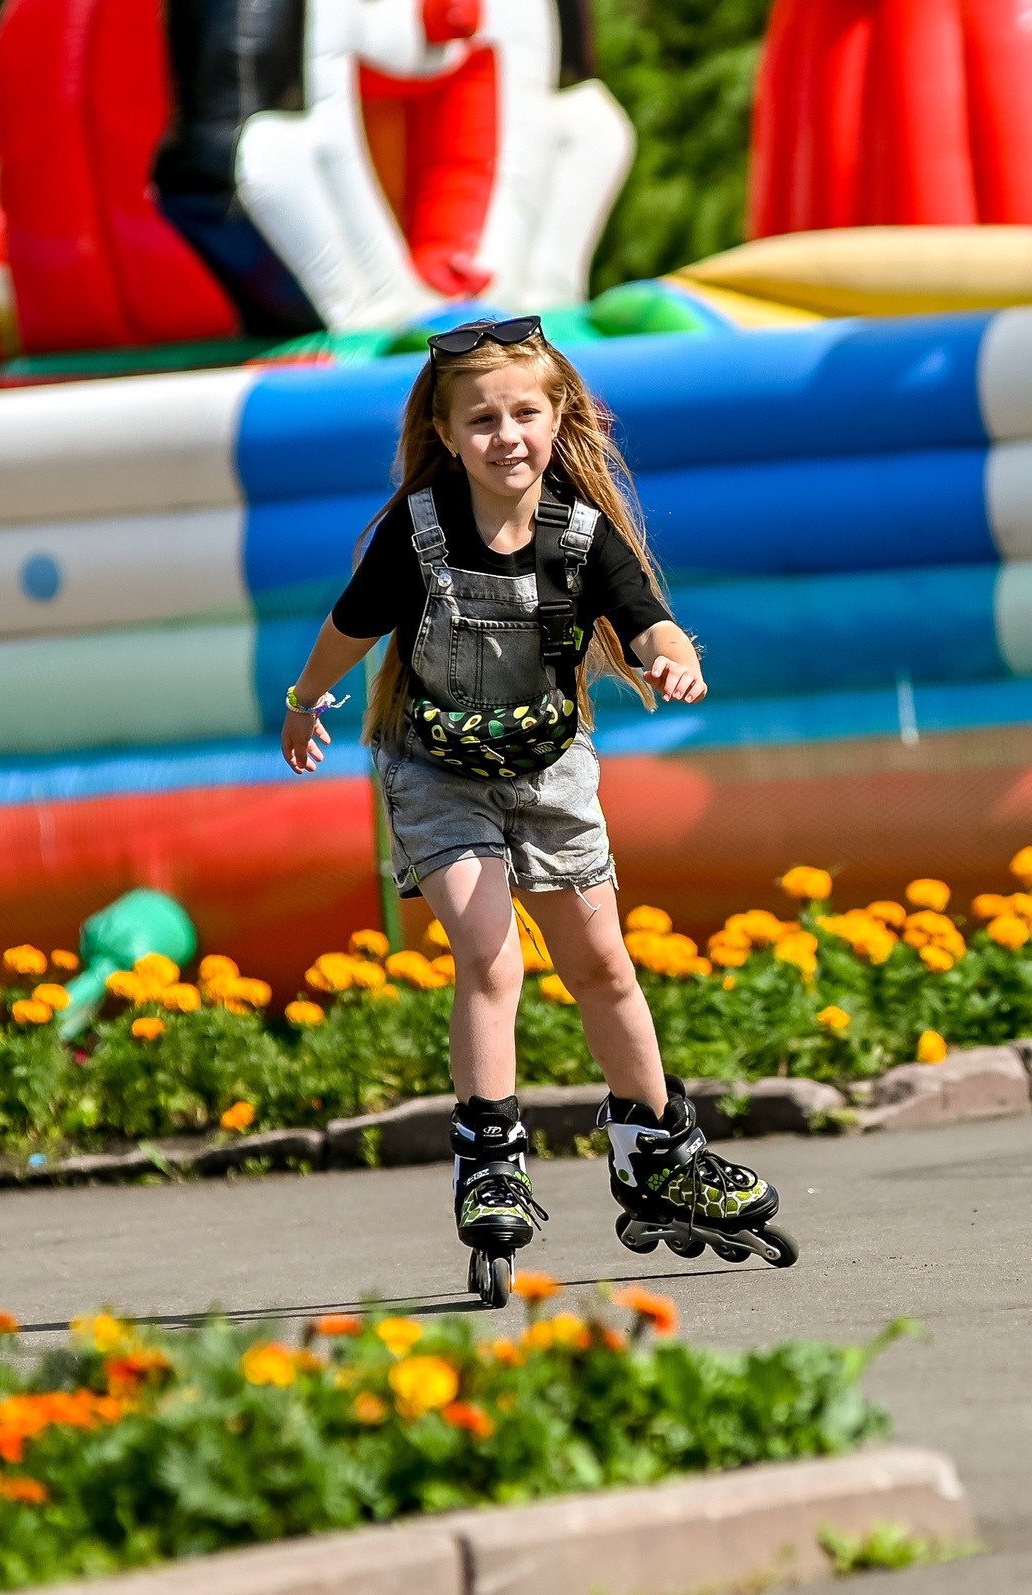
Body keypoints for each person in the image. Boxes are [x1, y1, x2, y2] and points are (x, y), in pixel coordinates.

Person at [278, 316, 789, 1300]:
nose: (505, 435)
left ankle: (656, 1152)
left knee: (601, 960)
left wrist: (669, 656)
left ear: (559, 417)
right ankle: (491, 1160)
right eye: (480, 419)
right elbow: (353, 622)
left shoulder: (581, 532)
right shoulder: (418, 530)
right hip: (437, 773)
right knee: (487, 951)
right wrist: (304, 703)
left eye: (523, 413)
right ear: (446, 429)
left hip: (550, 772)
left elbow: (643, 614)